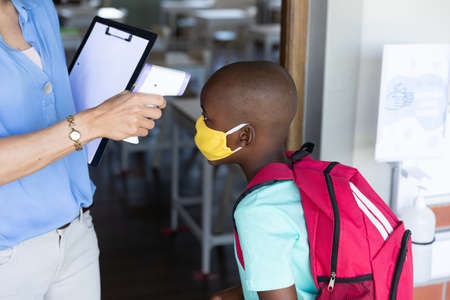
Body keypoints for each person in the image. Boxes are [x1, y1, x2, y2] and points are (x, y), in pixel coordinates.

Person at [0, 0, 165, 299]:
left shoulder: (37, 6)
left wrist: (114, 103)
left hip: (76, 229)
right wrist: (93, 123)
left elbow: (54, 104)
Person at [194, 61, 319, 300]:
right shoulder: (302, 179)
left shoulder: (258, 212)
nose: (201, 125)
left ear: (243, 136)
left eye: (207, 118)